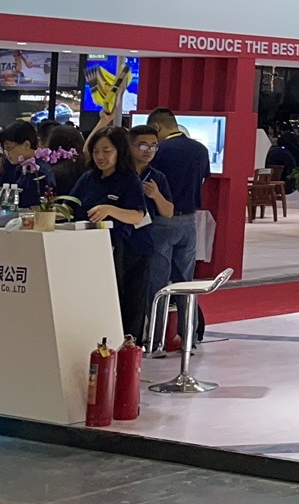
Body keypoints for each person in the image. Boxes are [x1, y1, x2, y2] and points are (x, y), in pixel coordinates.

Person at [69, 126, 156, 343]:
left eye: (106, 151)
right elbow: (71, 206)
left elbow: (137, 215)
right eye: (96, 151)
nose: (100, 156)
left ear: (119, 152)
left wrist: (109, 209)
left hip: (129, 251)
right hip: (92, 250)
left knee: (129, 302)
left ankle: (128, 346)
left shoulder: (129, 180)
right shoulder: (88, 178)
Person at [148, 108, 209, 284]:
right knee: (184, 280)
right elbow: (203, 180)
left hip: (162, 219)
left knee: (157, 277)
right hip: (190, 220)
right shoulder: (201, 149)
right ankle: (184, 304)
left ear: (156, 127)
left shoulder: (159, 150)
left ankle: (158, 304)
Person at [130, 124, 184, 321]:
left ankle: (149, 329)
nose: (149, 151)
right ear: (130, 146)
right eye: (143, 146)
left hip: (145, 238)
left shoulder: (156, 176)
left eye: (153, 146)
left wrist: (156, 195)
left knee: (147, 287)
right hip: (118, 236)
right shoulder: (120, 172)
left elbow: (168, 212)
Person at [0, 121, 53, 206]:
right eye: (4, 149)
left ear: (26, 145)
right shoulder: (22, 168)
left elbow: (33, 205)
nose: (7, 153)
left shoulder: (39, 171)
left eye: (9, 148)